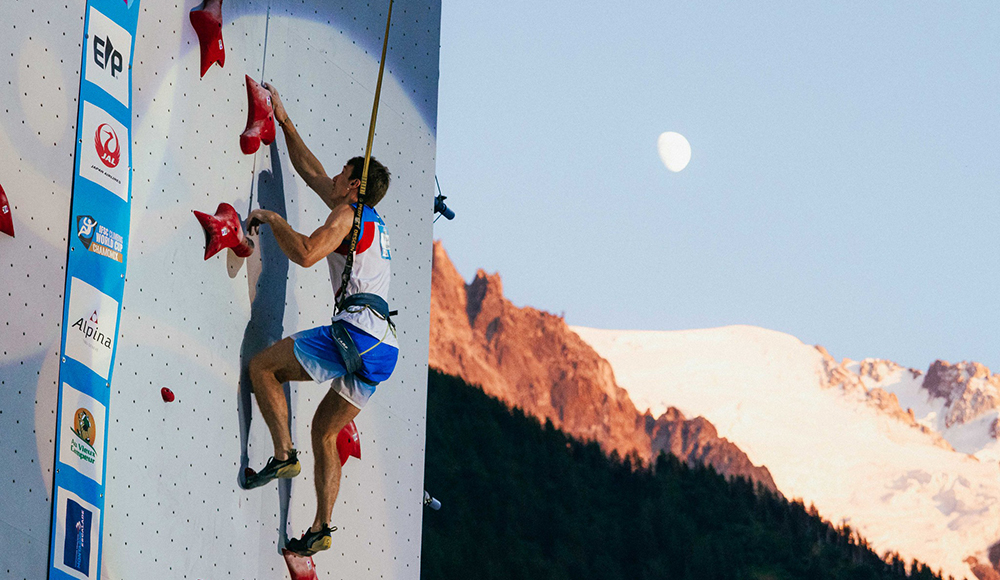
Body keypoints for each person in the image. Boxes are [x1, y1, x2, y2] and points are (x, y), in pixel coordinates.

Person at [243, 82, 399, 557]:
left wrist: (273, 220)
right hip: (384, 349)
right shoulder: (371, 221)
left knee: (263, 368)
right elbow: (310, 172)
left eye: (342, 175)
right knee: (326, 431)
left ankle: (283, 455)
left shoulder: (347, 217)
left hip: (356, 332)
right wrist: (285, 122)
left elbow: (308, 254)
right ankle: (321, 528)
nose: (331, 177)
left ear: (353, 184)